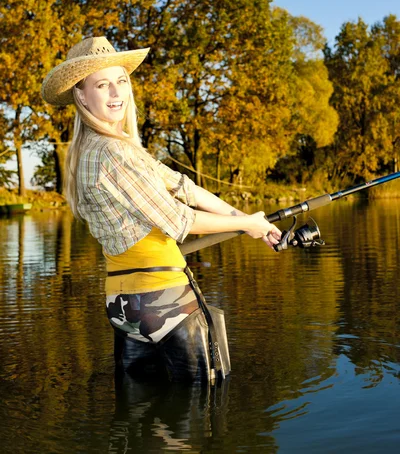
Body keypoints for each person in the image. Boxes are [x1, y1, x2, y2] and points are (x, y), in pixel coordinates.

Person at [41, 36, 281, 383]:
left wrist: (252, 223)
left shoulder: (96, 151)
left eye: (121, 81)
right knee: (205, 408)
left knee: (137, 421)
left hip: (123, 308)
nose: (116, 93)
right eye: (102, 85)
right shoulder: (114, 153)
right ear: (81, 95)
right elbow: (180, 220)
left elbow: (186, 187)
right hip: (163, 300)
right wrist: (247, 224)